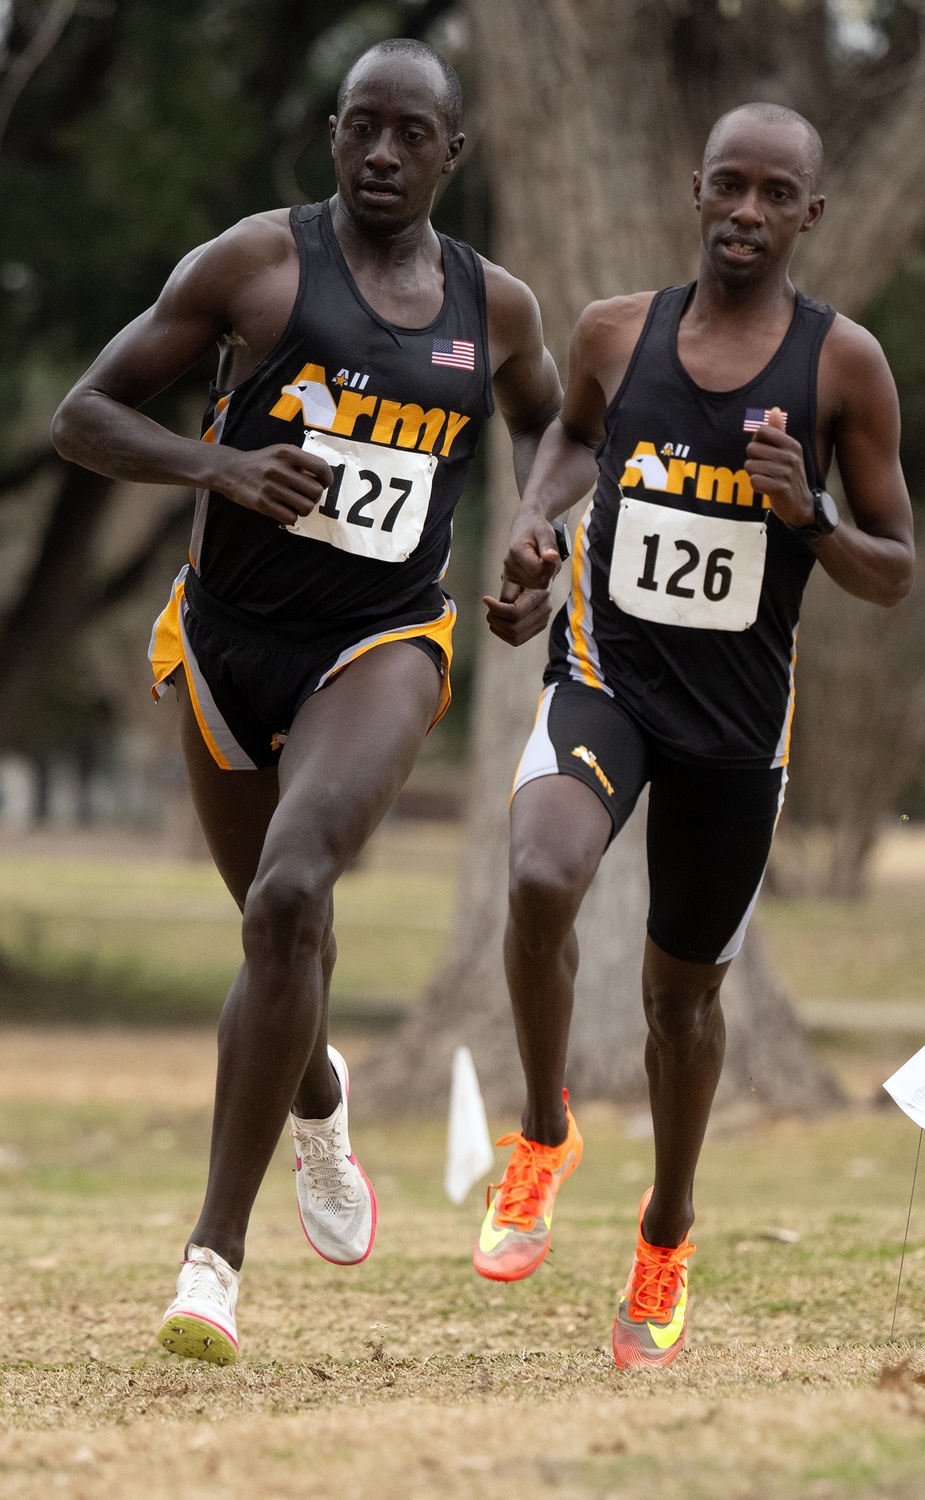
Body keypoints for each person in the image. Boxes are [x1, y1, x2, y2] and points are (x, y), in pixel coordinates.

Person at [52, 38, 560, 1364]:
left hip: (381, 642)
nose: (384, 156)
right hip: (226, 646)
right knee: (273, 934)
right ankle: (318, 1096)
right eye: (363, 129)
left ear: (458, 153)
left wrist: (537, 539)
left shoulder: (495, 307)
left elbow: (554, 423)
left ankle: (210, 1262)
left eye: (413, 136)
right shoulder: (258, 266)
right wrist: (217, 467)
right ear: (334, 132)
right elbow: (85, 415)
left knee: (291, 897)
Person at [473, 103, 914, 1370]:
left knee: (680, 1005)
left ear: (808, 216)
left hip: (736, 729)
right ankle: (543, 1133)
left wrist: (812, 519)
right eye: (729, 187)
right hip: (608, 676)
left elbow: (895, 569)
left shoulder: (844, 369)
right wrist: (535, 527)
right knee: (540, 873)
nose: (746, 213)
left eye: (777, 195)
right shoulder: (619, 331)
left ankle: (665, 1228)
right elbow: (567, 434)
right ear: (696, 190)